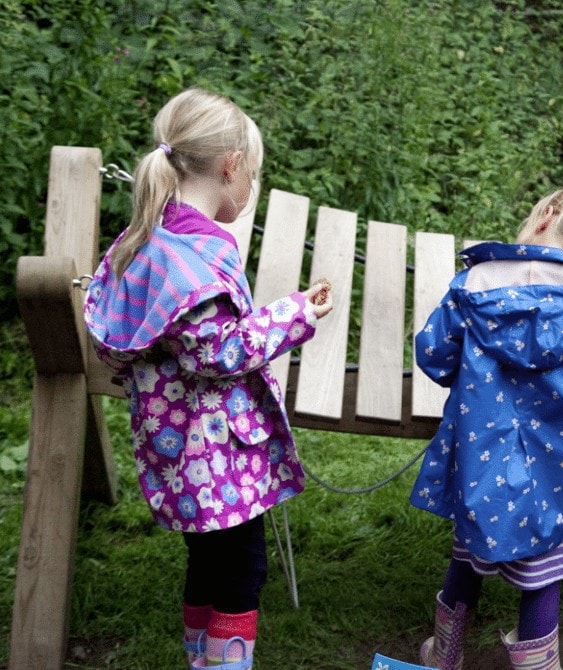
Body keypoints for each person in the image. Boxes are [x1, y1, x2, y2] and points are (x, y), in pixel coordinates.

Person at [83, 87, 334, 669]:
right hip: (217, 453)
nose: (251, 189)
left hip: (177, 449)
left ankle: (200, 659)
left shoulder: (150, 238)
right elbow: (216, 353)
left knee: (208, 563)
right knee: (242, 573)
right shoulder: (193, 258)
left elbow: (149, 340)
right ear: (231, 167)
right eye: (255, 175)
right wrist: (296, 313)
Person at [409, 185, 563, 670]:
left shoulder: (474, 283)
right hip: (549, 470)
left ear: (547, 216)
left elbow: (432, 354)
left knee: (467, 554)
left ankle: (444, 656)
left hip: (477, 458)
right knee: (544, 570)